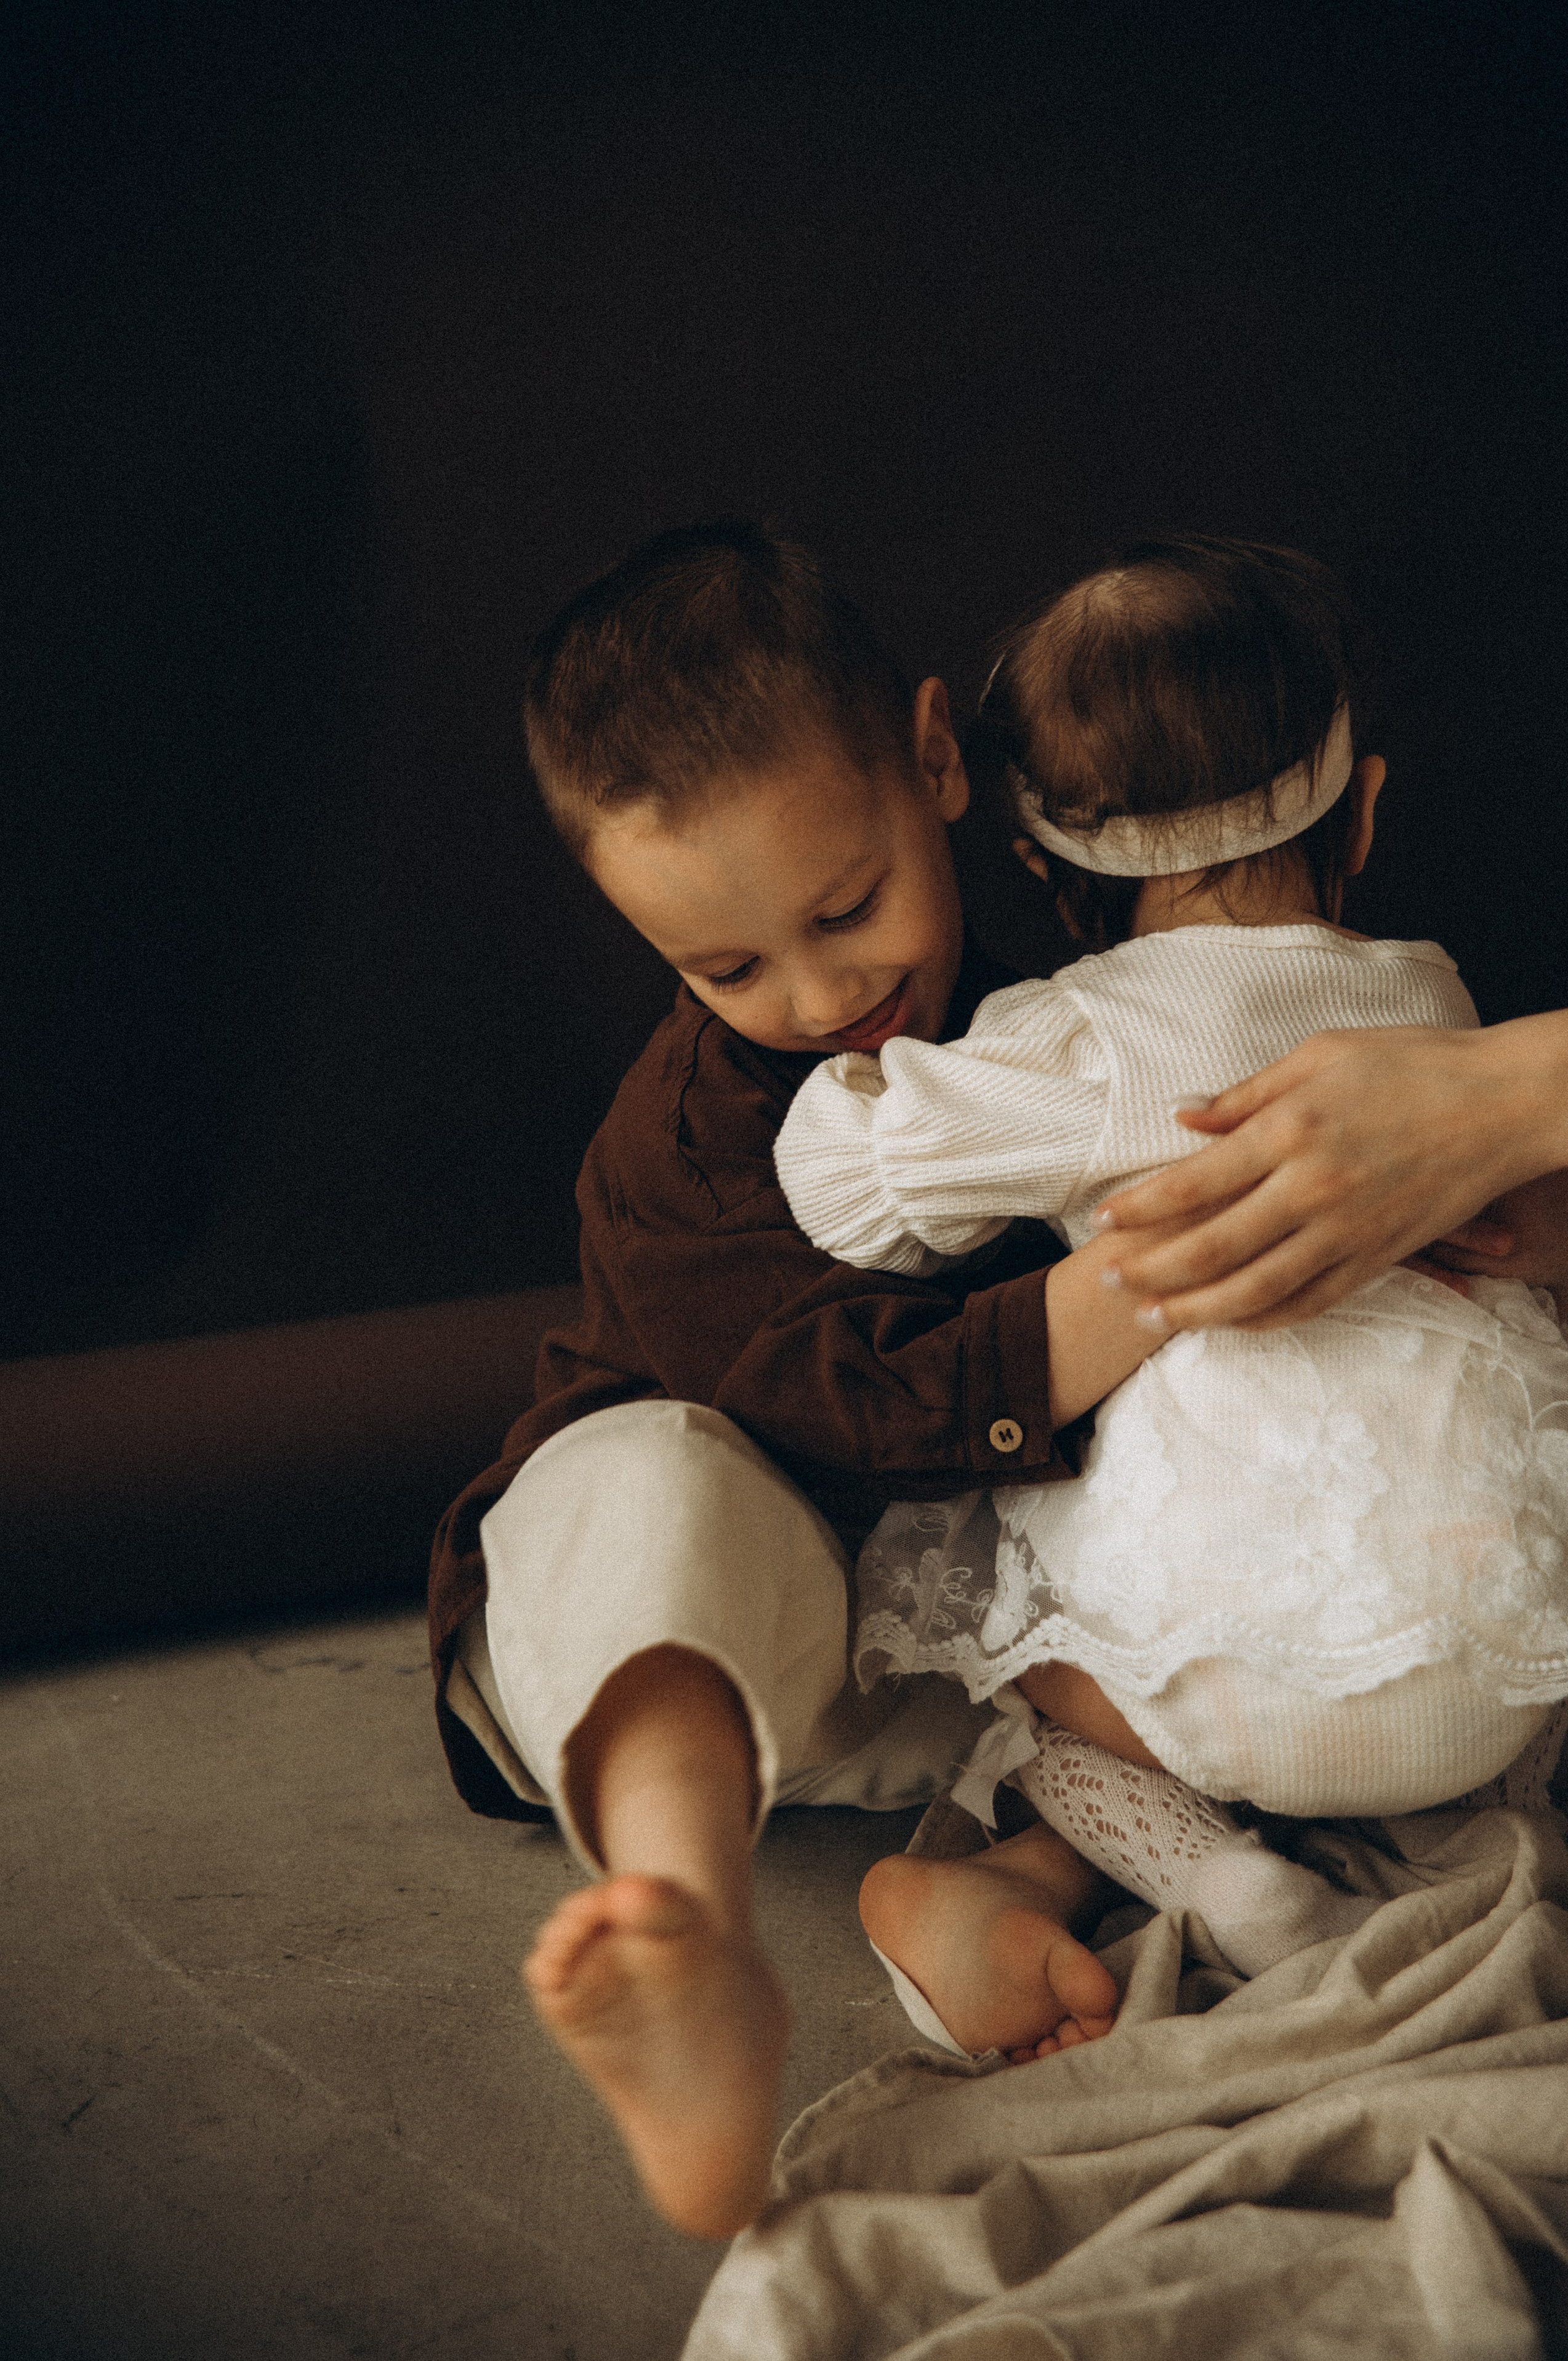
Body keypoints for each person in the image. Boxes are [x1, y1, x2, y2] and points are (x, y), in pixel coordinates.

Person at [429, 521, 1202, 2238]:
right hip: (710, 1619)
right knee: (645, 1476)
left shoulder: (1070, 988)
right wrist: (1152, 1275)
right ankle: (686, 1928)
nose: (816, 994)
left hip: (965, 1649)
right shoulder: (686, 1150)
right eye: (725, 969)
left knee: (1281, 1544)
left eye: (845, 909)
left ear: (933, 760)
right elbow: (843, 1398)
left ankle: (1005, 1877)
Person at [773, 537, 1568, 2054]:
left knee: (1006, 1626)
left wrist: (861, 1084)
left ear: (1038, 870)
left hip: (1214, 1687)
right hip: (1504, 1671)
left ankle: (1214, 1875)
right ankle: (1438, 1812)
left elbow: (846, 1196)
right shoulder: (1437, 1009)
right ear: (1363, 808)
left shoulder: (1074, 1043)